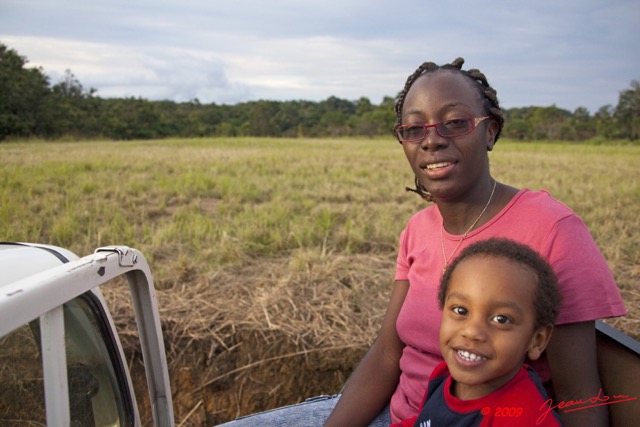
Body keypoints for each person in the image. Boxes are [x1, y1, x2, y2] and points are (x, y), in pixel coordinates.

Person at [217, 58, 626, 427]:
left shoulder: (552, 228)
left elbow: (579, 397)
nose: (432, 140)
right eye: (414, 129)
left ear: (490, 131)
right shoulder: (418, 229)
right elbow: (387, 356)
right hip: (396, 415)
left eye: (455, 122)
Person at [390, 238, 563, 426]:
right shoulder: (444, 375)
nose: (472, 331)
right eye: (460, 311)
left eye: (501, 319)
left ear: (537, 340)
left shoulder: (523, 418)